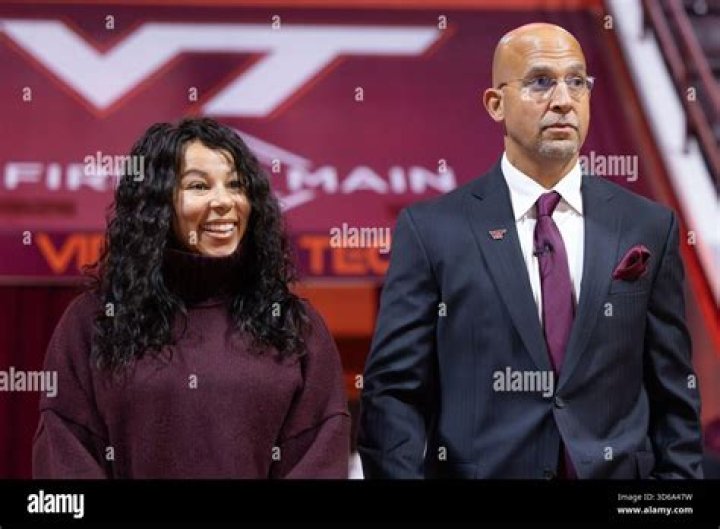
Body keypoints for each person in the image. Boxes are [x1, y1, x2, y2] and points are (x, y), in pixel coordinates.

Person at [358, 23, 702, 479]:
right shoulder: (432, 231)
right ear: (495, 104)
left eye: (576, 81)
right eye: (541, 82)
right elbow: (392, 395)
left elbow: (674, 394)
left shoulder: (649, 226)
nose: (563, 100)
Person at [32, 117, 350, 478]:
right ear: (156, 205)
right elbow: (65, 453)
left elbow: (320, 457)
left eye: (236, 185)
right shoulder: (94, 320)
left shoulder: (293, 324)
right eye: (199, 186)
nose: (224, 201)